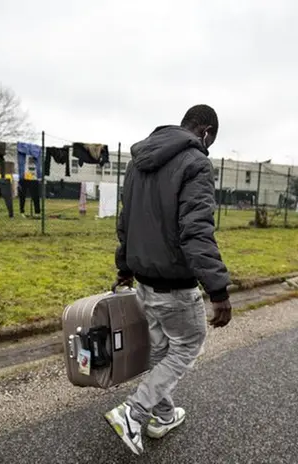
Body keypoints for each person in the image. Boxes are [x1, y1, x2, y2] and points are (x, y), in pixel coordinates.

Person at [104, 105, 233, 455]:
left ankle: (164, 416)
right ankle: (133, 412)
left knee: (161, 352)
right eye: (211, 140)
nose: (208, 147)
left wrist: (124, 267)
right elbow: (196, 230)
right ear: (205, 130)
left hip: (144, 281)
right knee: (189, 345)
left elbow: (125, 220)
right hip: (175, 285)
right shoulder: (195, 162)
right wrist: (217, 289)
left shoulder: (138, 160)